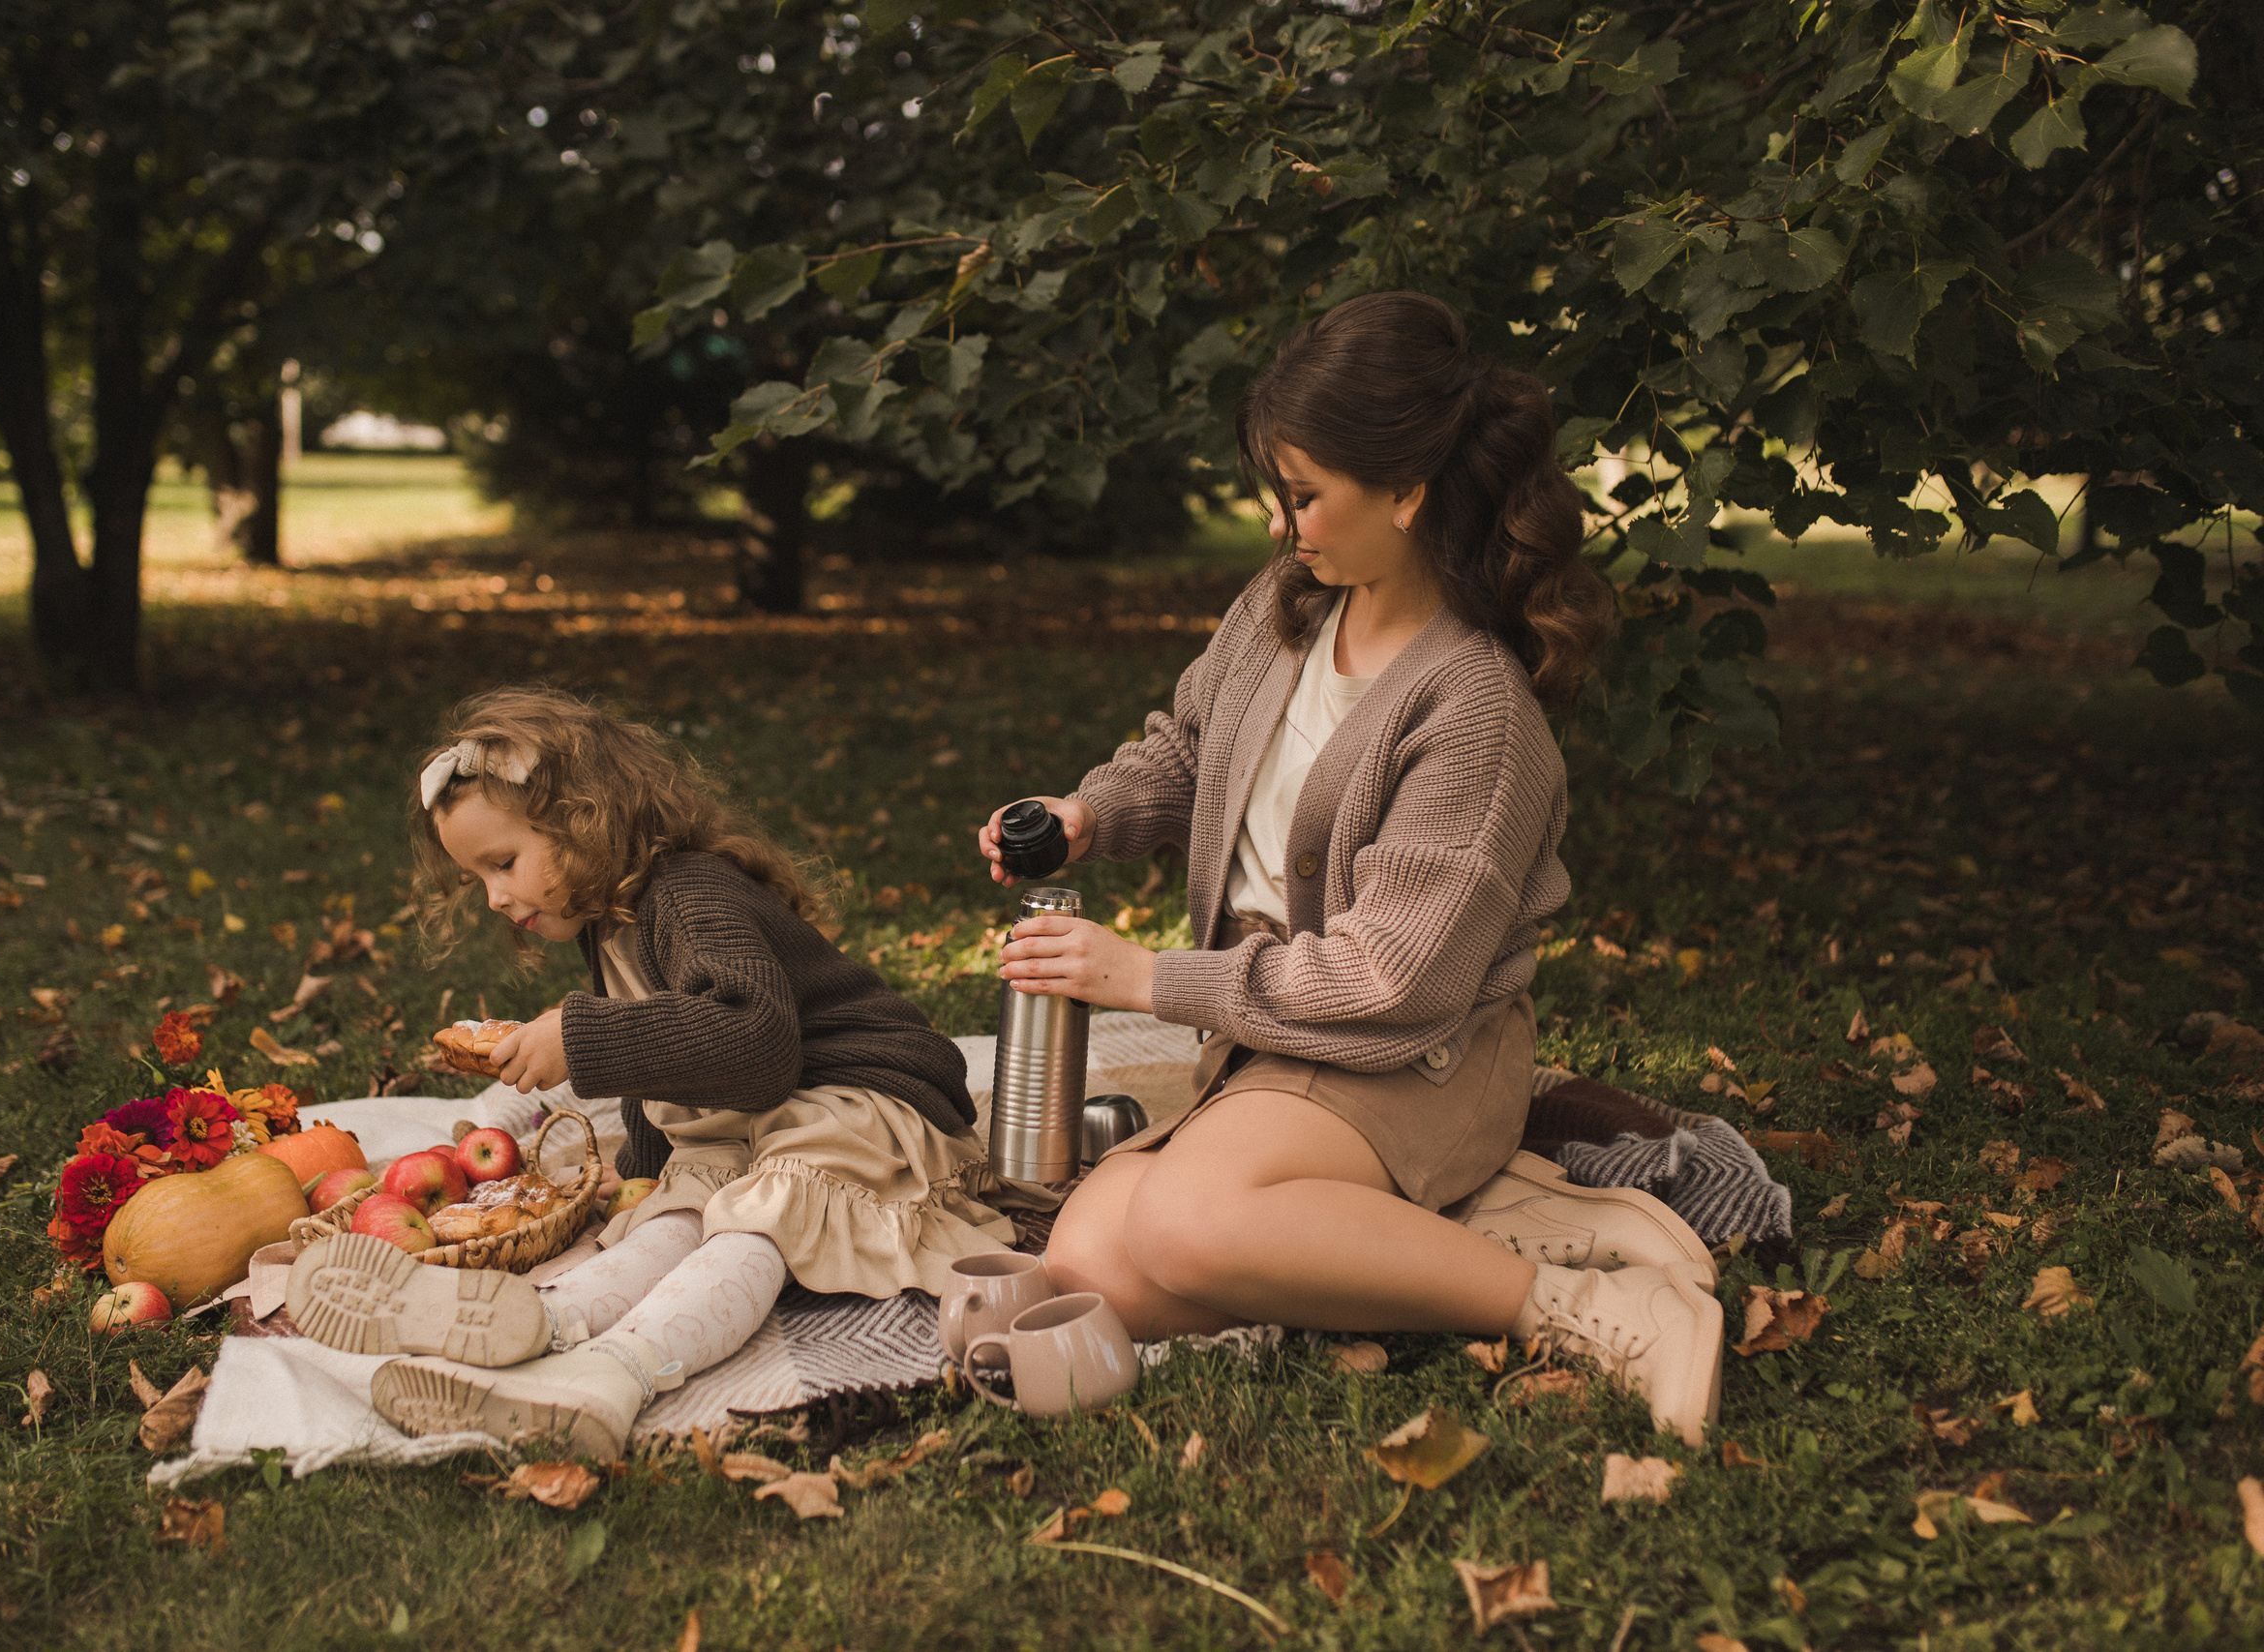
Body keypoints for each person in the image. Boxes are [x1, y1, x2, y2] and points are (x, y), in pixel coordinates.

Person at [977, 291, 1727, 1445]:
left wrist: (1148, 981)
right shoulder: (1283, 611)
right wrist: (1086, 814)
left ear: (1407, 492)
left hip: (1416, 1055)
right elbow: (1187, 747)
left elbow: (1392, 981)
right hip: (1275, 1042)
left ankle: (1580, 1302)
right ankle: (1413, 1240)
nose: (1283, 528)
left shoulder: (1475, 710)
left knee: (1182, 1227)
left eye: (1304, 496)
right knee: (1091, 1261)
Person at [289, 686, 1036, 1458]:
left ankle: (608, 1376)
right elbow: (663, 1063)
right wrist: (641, 1178)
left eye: (503, 863)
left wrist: (579, 1039)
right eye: (480, 877)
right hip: (759, 1118)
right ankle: (534, 1325)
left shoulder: (689, 894)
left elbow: (757, 1040)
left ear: (582, 819)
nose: (495, 896)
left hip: (861, 1099)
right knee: (677, 1216)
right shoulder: (608, 922)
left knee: (762, 1221)